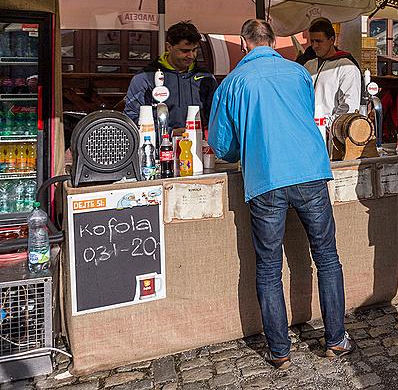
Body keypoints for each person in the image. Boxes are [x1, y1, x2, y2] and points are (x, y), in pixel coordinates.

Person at [207, 19, 354, 369]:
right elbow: (303, 117)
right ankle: (335, 339)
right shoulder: (299, 73)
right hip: (309, 171)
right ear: (273, 42)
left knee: (269, 268)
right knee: (327, 257)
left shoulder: (231, 83)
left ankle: (280, 350)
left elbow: (222, 146)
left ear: (244, 44)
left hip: (267, 177)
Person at [124, 21, 218, 131]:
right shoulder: (145, 77)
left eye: (194, 50)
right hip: (157, 145)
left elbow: (216, 115)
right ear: (169, 47)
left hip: (198, 143)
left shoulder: (206, 78)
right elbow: (132, 117)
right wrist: (169, 132)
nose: (191, 55)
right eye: (185, 51)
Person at [304, 19, 361, 123]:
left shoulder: (347, 68)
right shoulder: (308, 65)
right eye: (312, 41)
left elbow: (348, 107)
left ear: (332, 40)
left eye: (319, 41)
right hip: (308, 128)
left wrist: (327, 124)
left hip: (330, 132)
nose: (314, 46)